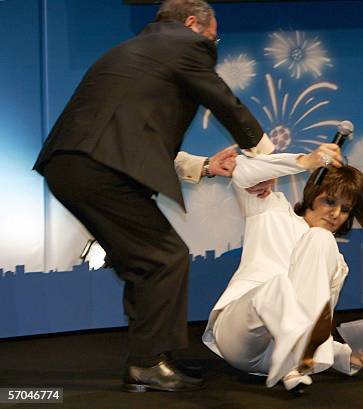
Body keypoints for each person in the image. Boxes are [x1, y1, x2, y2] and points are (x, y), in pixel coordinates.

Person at [33, 0, 273, 392]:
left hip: (75, 164)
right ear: (192, 24)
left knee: (143, 262)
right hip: (97, 168)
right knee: (165, 257)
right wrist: (267, 156)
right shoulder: (183, 44)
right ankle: (146, 362)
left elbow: (130, 135)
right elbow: (225, 102)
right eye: (214, 38)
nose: (213, 47)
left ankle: (152, 358)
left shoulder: (138, 50)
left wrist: (205, 167)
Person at [175, 144, 363, 392]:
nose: (336, 213)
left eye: (346, 209)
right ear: (313, 195)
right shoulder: (270, 210)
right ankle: (278, 303)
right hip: (242, 335)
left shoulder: (335, 262)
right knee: (273, 290)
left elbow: (315, 315)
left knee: (320, 238)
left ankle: (296, 359)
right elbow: (244, 170)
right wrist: (305, 161)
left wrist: (342, 356)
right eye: (329, 201)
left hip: (281, 358)